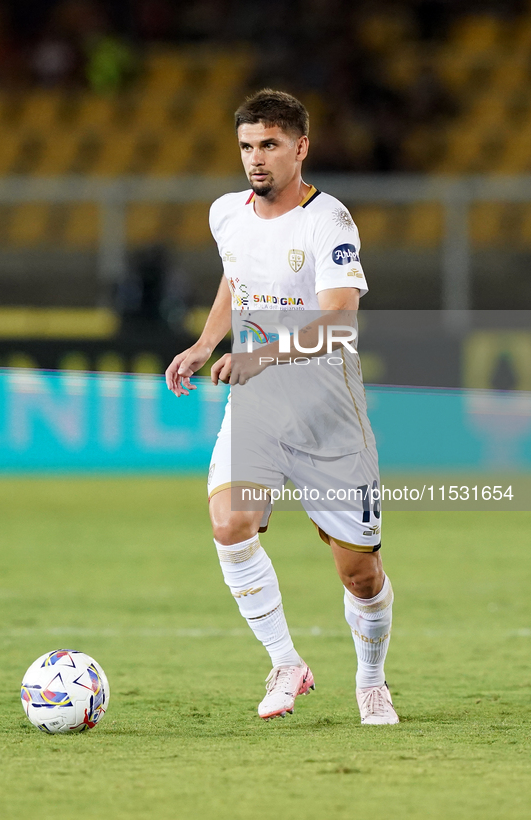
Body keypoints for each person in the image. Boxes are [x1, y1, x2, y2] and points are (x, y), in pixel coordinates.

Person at [165, 89, 398, 725]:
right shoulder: (226, 215)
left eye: (269, 145)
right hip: (258, 407)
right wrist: (207, 341)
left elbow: (339, 321)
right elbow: (236, 277)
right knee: (228, 524)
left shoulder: (330, 221)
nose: (255, 159)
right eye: (246, 146)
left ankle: (371, 681)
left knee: (360, 576)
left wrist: (257, 355)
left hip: (328, 415)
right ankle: (286, 662)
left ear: (300, 147)